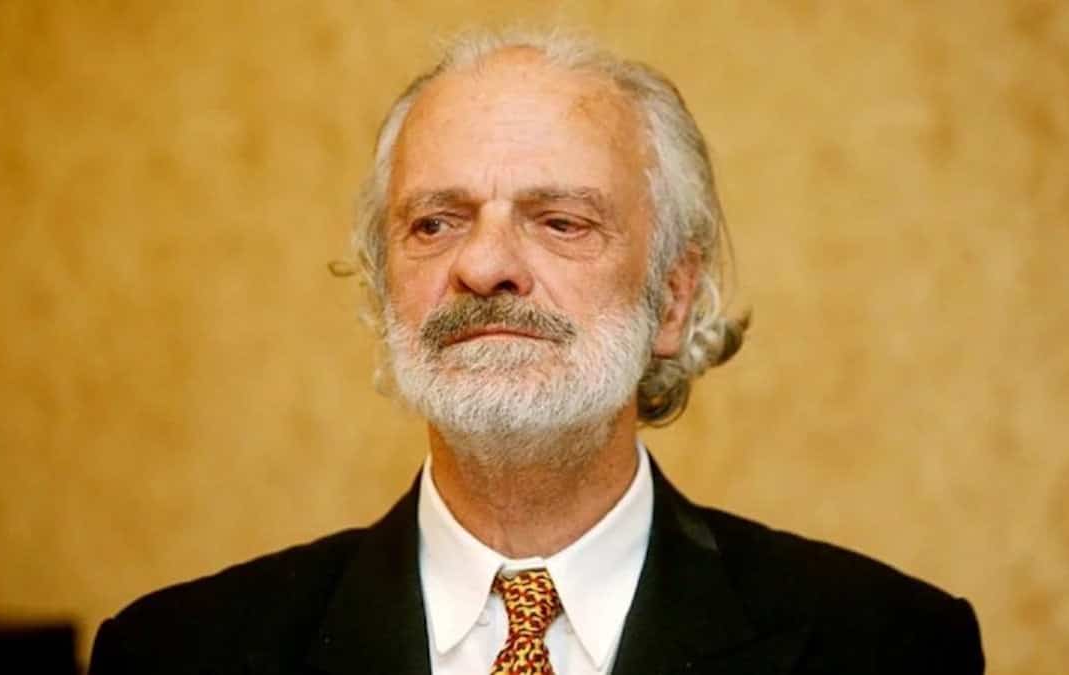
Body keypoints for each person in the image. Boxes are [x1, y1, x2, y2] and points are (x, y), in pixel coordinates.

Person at [89, 29, 984, 675]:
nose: (484, 266)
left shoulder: (890, 646)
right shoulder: (178, 651)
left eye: (560, 221)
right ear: (384, 287)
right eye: (435, 223)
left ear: (672, 300)